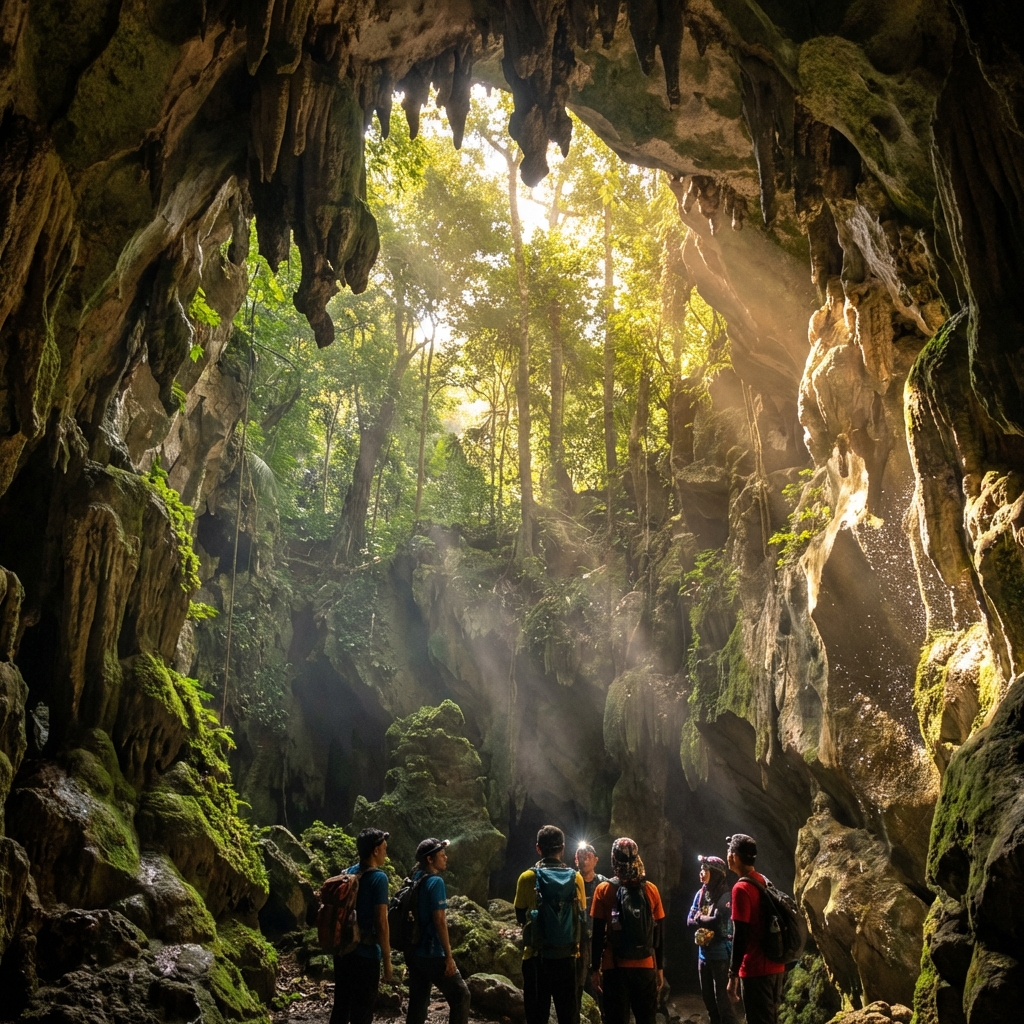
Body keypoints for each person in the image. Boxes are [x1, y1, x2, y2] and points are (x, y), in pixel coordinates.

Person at [515, 825, 588, 1024]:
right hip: (568, 957)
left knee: (537, 1016)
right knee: (568, 1016)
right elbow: (582, 914)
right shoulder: (576, 878)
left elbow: (520, 915)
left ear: (538, 848)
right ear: (562, 848)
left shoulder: (527, 877)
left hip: (536, 958)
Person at [589, 838, 665, 1024]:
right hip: (645, 965)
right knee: (646, 1019)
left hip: (614, 966)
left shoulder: (603, 890)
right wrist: (660, 969)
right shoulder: (651, 890)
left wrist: (595, 968)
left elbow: (597, 933)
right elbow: (658, 935)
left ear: (614, 859)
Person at [405, 838, 470, 1024]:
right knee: (461, 995)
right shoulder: (435, 882)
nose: (445, 857)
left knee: (418, 1003)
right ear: (430, 859)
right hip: (432, 952)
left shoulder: (415, 877)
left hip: (414, 951)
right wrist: (448, 956)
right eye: (442, 855)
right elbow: (440, 920)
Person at [331, 828, 392, 1024]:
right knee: (363, 1012)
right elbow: (381, 923)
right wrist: (387, 960)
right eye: (384, 848)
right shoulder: (379, 879)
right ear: (375, 850)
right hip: (366, 955)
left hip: (343, 951)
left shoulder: (347, 873)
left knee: (341, 1006)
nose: (386, 852)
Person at [725, 834, 785, 1024]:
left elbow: (740, 935)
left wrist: (733, 975)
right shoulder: (763, 881)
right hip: (776, 965)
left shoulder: (741, 888)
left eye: (729, 852)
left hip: (756, 969)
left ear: (734, 857)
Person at [686, 856, 738, 1024]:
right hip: (703, 955)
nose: (701, 873)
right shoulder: (701, 894)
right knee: (708, 1000)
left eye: (705, 870)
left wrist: (699, 917)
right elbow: (689, 920)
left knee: (723, 1001)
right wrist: (702, 919)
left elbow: (717, 920)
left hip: (721, 955)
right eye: (701, 869)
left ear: (715, 873)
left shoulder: (725, 895)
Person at [575, 842, 607, 1013]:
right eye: (581, 856)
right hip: (577, 940)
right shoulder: (571, 882)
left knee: (601, 982)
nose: (584, 860)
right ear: (576, 859)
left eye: (588, 856)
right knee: (578, 982)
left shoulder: (603, 884)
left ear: (596, 860)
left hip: (599, 940)